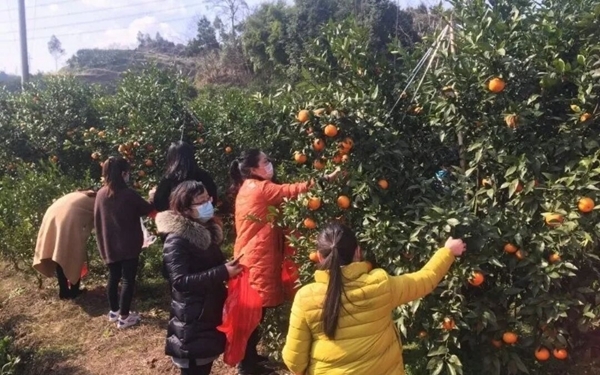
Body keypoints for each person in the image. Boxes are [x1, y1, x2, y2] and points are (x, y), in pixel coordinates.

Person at [282, 223, 467, 375]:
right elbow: (424, 280)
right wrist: (447, 251)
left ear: (320, 257)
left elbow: (295, 363)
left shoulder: (305, 298)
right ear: (358, 252)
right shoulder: (379, 286)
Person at [230, 149, 340, 375]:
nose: (270, 164)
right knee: (253, 313)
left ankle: (250, 358)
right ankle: (247, 365)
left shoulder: (250, 186)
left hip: (254, 256)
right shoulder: (260, 189)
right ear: (253, 169)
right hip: (256, 259)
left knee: (255, 313)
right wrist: (324, 179)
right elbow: (291, 190)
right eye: (266, 161)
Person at [156, 180, 242, 375]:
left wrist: (228, 267)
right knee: (195, 369)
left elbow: (209, 266)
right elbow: (179, 281)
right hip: (192, 318)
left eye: (208, 199)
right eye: (201, 202)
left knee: (203, 366)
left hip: (205, 314)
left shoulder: (205, 232)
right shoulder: (176, 240)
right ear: (185, 209)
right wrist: (222, 272)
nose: (208, 204)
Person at [94, 156, 155, 329]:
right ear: (123, 174)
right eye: (127, 173)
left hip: (109, 243)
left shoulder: (100, 194)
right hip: (128, 244)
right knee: (128, 279)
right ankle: (125, 317)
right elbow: (147, 209)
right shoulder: (128, 194)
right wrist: (152, 196)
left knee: (113, 277)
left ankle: (114, 311)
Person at [32, 187, 98, 299]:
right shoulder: (97, 199)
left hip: (52, 216)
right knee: (74, 254)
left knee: (59, 252)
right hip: (66, 219)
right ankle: (74, 291)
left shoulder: (78, 195)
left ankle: (64, 291)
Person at [153, 141, 218, 212]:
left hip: (177, 219)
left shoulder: (169, 178)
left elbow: (159, 204)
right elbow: (213, 197)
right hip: (201, 218)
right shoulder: (203, 175)